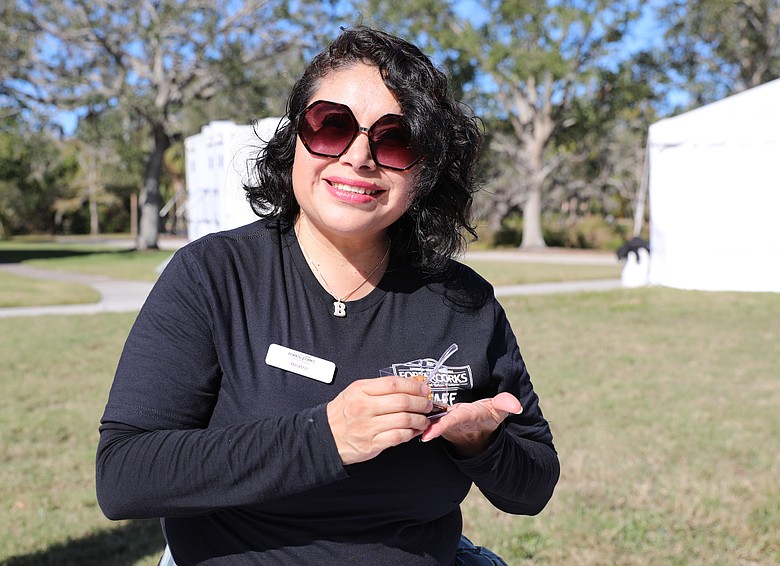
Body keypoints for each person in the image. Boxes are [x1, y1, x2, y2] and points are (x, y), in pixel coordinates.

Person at [96, 26, 559, 566]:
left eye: (395, 139)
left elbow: (532, 488)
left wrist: (482, 445)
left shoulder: (465, 303)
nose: (360, 156)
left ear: (424, 170)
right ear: (295, 138)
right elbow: (124, 476)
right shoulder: (212, 275)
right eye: (332, 126)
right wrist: (326, 437)